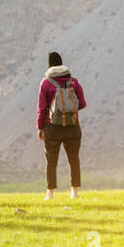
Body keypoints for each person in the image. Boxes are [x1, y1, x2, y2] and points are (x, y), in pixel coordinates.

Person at [37, 51, 86, 200]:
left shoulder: (46, 83)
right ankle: (74, 191)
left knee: (51, 160)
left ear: (49, 65)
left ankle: (50, 193)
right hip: (72, 126)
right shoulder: (74, 82)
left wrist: (40, 127)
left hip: (52, 127)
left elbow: (42, 107)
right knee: (74, 158)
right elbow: (82, 104)